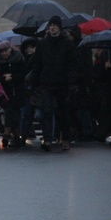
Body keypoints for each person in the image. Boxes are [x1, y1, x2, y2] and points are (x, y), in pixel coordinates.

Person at [30, 15, 77, 151]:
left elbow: (72, 64)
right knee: (47, 111)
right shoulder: (43, 44)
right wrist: (33, 80)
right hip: (47, 82)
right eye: (50, 26)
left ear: (59, 27)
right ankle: (48, 139)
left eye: (55, 25)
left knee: (63, 111)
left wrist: (72, 83)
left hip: (62, 82)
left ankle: (65, 138)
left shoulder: (67, 43)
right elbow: (37, 63)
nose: (52, 28)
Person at [0, 40, 26, 148]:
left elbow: (23, 74)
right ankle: (13, 135)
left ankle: (8, 135)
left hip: (17, 90)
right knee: (8, 112)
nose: (4, 53)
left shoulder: (18, 59)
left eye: (6, 50)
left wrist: (12, 77)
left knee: (14, 113)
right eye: (2, 51)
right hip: (4, 92)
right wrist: (3, 78)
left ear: (10, 49)